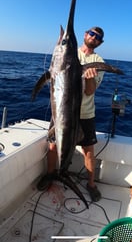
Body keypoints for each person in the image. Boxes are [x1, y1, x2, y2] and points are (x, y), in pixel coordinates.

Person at [37, 26, 105, 202]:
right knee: (53, 145)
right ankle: (52, 175)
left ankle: (91, 184)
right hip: (61, 112)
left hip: (85, 114)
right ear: (85, 35)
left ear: (100, 43)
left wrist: (89, 77)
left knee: (88, 151)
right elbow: (52, 74)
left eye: (98, 37)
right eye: (92, 34)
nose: (94, 38)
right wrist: (62, 45)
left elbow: (90, 92)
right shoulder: (69, 53)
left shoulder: (98, 61)